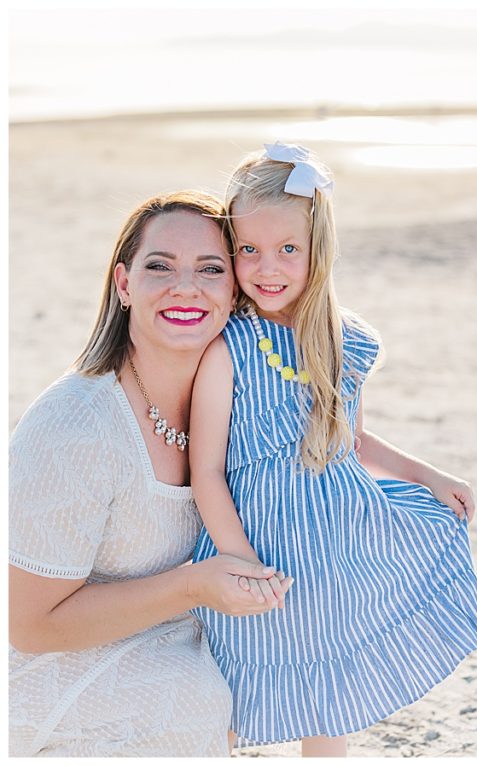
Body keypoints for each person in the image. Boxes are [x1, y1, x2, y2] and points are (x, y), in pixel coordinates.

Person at [190, 143, 477, 756]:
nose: (265, 267)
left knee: (325, 698)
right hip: (257, 544)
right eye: (247, 249)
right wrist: (240, 560)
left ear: (317, 249)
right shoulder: (228, 350)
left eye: (287, 250)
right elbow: (207, 473)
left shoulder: (339, 340)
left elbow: (349, 438)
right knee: (234, 688)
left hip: (334, 549)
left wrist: (427, 475)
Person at [9, 191, 295, 757]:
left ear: (234, 290)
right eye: (159, 266)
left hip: (155, 630)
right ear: (123, 285)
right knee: (191, 701)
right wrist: (193, 585)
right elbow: (29, 626)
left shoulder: (230, 400)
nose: (184, 287)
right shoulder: (76, 427)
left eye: (210, 269)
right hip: (50, 672)